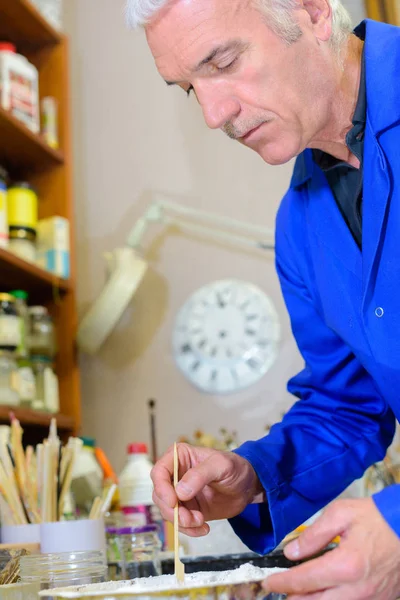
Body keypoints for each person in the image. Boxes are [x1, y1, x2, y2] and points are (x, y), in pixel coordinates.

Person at [126, 0, 400, 597]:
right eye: (188, 88)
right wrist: (253, 476)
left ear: (312, 12)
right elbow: (348, 406)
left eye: (222, 61)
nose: (214, 113)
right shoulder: (300, 225)